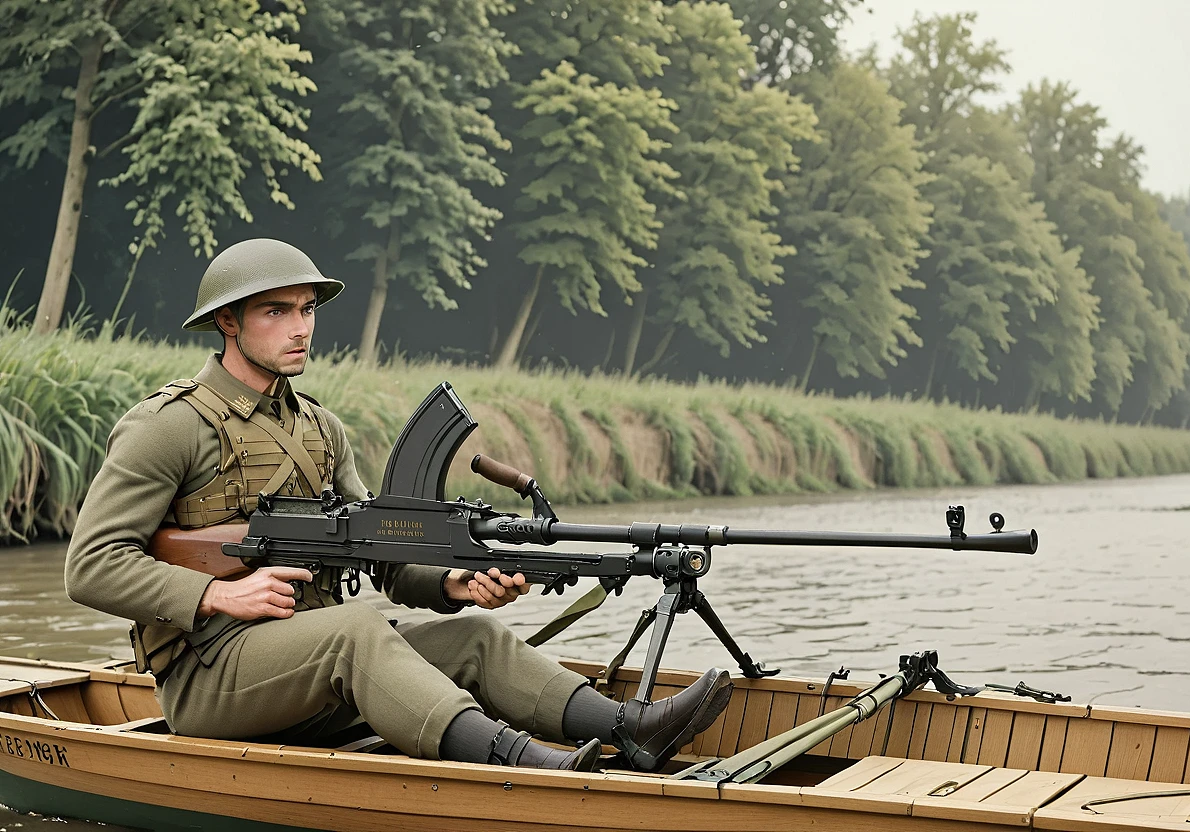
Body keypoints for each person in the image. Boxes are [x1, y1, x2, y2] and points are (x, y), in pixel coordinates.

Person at [64, 238, 733, 772]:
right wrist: (215, 595)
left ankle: (629, 729)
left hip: (312, 667)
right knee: (358, 631)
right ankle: (528, 767)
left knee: (470, 636)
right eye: (277, 312)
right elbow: (91, 565)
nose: (300, 329)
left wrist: (452, 580)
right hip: (211, 680)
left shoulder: (321, 430)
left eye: (307, 310)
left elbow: (382, 554)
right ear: (225, 321)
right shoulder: (170, 425)